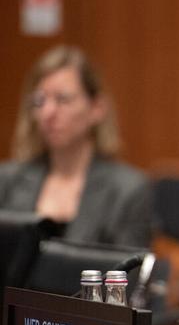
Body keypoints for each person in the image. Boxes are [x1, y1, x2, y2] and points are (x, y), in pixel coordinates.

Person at [0, 45, 152, 247]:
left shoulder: (127, 190)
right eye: (40, 100)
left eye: (63, 99)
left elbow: (127, 275)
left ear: (96, 108)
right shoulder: (7, 181)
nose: (48, 112)